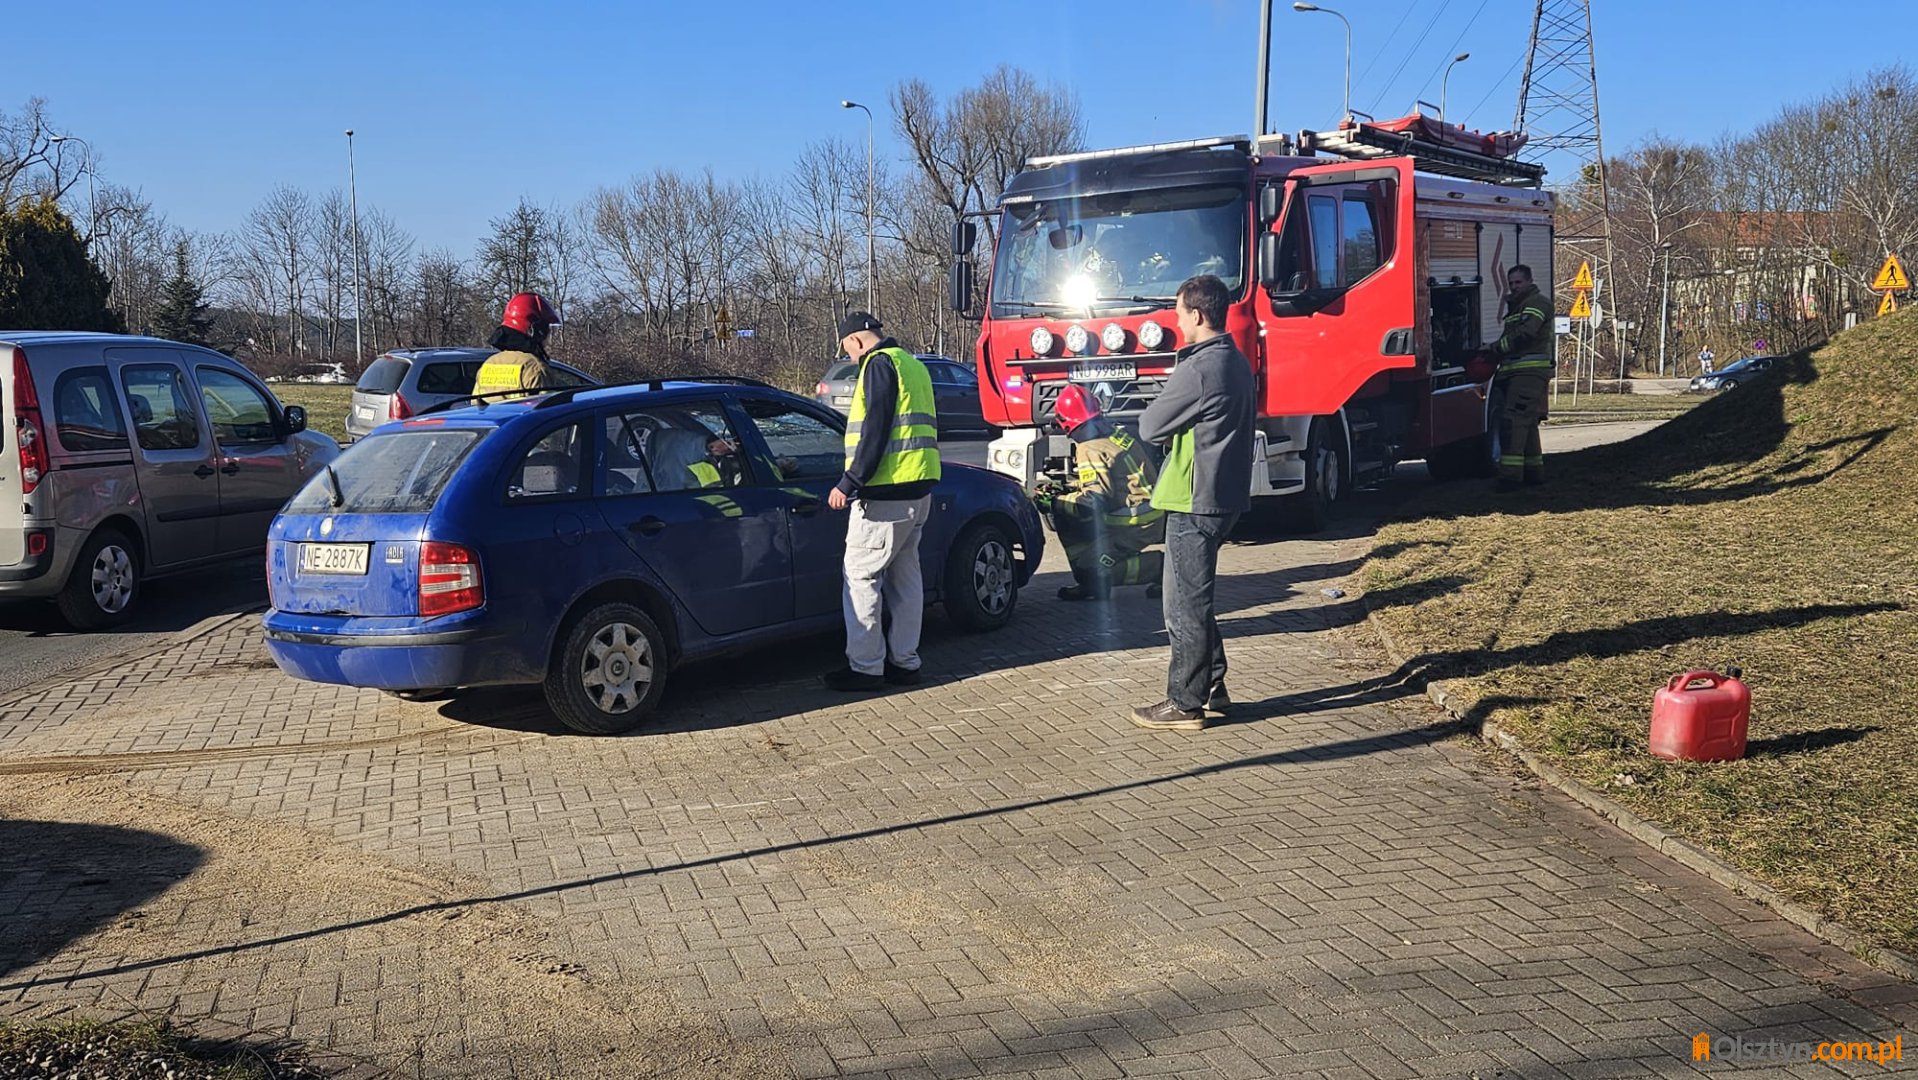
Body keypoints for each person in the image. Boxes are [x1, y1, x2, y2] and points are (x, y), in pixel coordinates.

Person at [1130, 275, 1255, 732]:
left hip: (1193, 497)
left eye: (1180, 312)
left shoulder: (1199, 367)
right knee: (1196, 599)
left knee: (1181, 605)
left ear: (1198, 315)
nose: (1176, 320)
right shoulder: (1235, 361)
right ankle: (1213, 687)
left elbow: (1150, 426)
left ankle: (1184, 702)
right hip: (1222, 495)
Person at [822, 312, 942, 692]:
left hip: (885, 494)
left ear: (857, 340)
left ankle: (866, 667)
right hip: (919, 489)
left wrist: (849, 482)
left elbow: (874, 429)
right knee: (906, 580)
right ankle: (905, 663)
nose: (851, 359)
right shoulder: (913, 365)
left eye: (848, 351)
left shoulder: (878, 365)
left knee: (860, 577)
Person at [1036, 383, 1165, 602]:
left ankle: (1162, 570)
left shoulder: (1090, 448)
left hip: (1133, 523)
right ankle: (1089, 583)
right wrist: (1071, 489)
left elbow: (1094, 502)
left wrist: (1055, 501)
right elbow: (1113, 481)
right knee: (1070, 521)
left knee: (1094, 570)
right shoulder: (1113, 434)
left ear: (1066, 423)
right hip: (1146, 513)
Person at [1485, 265, 1554, 489]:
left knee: (1513, 422)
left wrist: (1496, 348)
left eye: (1518, 282)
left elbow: (1526, 334)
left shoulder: (1537, 304)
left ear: (1529, 281)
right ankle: (1534, 473)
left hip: (1529, 373)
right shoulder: (1518, 306)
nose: (1514, 287)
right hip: (1516, 373)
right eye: (1511, 283)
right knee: (1527, 422)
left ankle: (1510, 477)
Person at [473, 292, 561, 398]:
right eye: (547, 329)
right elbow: (547, 411)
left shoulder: (488, 364)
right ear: (536, 330)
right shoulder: (534, 369)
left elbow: (475, 406)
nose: (548, 338)